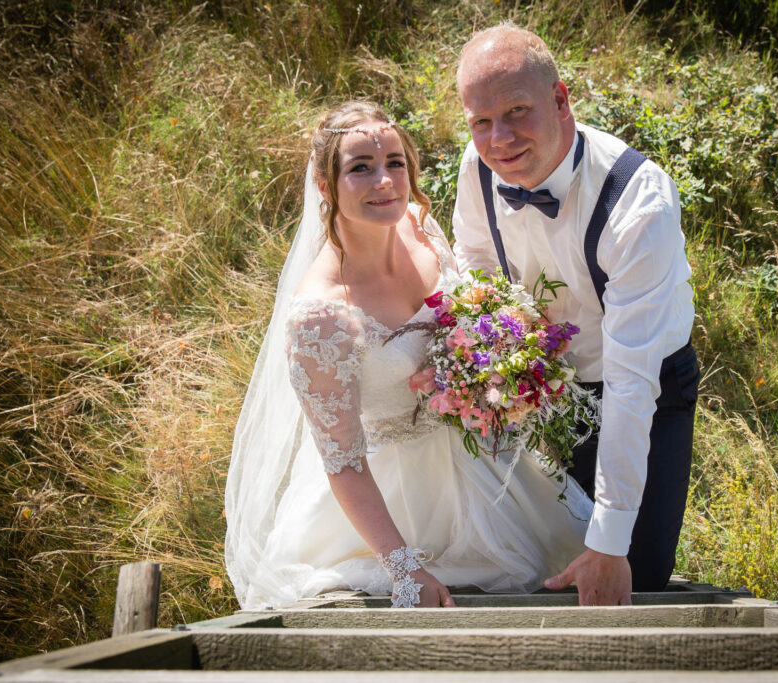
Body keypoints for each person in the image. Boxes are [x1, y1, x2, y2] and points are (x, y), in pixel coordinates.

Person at [224, 101, 591, 609]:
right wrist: (403, 567)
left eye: (394, 162)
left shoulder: (420, 226)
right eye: (361, 168)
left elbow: (466, 321)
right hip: (398, 507)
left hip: (491, 468)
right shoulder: (321, 318)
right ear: (326, 186)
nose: (385, 182)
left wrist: (493, 366)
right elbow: (343, 461)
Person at [452, 24, 699, 605]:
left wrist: (611, 545)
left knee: (633, 575)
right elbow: (475, 254)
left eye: (517, 111)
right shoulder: (479, 165)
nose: (499, 139)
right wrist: (502, 351)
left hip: (644, 386)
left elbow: (630, 381)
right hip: (538, 384)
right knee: (519, 560)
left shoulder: (639, 201)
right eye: (481, 121)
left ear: (561, 100)